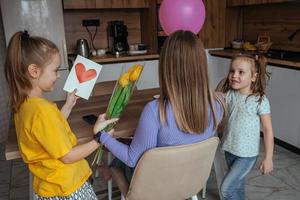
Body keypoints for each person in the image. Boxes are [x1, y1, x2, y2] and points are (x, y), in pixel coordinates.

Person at [93, 30, 225, 194]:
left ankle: (110, 172)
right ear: (202, 65)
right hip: (190, 181)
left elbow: (132, 159)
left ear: (166, 67)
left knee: (118, 162)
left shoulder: (155, 111)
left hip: (155, 188)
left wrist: (101, 136)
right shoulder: (217, 105)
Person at [4, 31, 117, 200]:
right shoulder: (43, 111)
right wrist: (100, 139)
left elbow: (47, 135)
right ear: (34, 71)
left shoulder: (24, 106)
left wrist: (68, 106)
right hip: (67, 188)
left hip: (49, 188)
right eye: (55, 70)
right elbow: (68, 156)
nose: (58, 75)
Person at [219, 54, 274, 200]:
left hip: (247, 155)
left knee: (226, 189)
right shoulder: (230, 94)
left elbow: (268, 131)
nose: (234, 75)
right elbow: (215, 97)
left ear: (254, 77)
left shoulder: (260, 100)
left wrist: (268, 158)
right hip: (230, 150)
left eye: (241, 72)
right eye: (232, 71)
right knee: (237, 186)